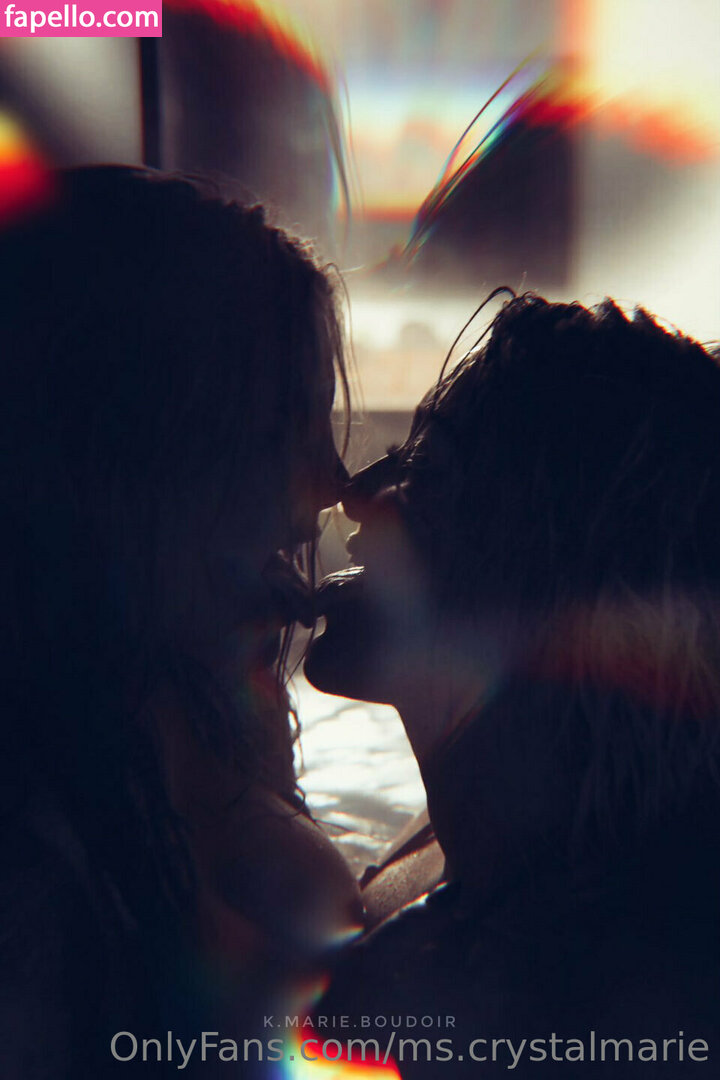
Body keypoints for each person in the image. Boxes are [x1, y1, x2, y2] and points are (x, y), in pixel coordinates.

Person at [0, 165, 361, 1077]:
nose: (331, 486)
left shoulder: (190, 710)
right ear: (126, 460)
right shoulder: (33, 889)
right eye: (282, 430)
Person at [307, 294, 720, 1076]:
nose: (357, 489)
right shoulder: (448, 854)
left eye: (427, 471)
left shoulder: (566, 996)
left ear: (550, 574)